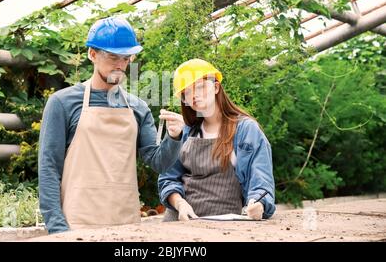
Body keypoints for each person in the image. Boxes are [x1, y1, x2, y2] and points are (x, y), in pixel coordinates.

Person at [38, 17, 185, 234]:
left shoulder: (138, 108)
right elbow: (48, 167)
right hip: (77, 224)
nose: (120, 65)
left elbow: (158, 162)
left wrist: (174, 138)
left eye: (126, 58)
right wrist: (58, 229)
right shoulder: (62, 103)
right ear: (92, 54)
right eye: (113, 57)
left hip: (126, 223)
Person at [158, 59, 276, 221]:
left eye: (200, 86)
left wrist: (258, 204)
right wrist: (180, 204)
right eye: (187, 91)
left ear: (215, 87)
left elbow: (261, 182)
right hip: (180, 224)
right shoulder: (185, 131)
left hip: (225, 224)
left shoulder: (246, 130)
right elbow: (168, 179)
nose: (195, 95)